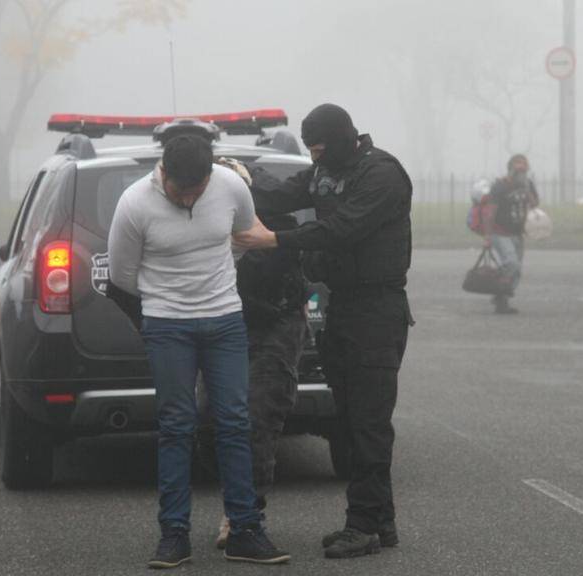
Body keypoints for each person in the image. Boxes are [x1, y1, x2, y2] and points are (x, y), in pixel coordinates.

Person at [233, 103, 414, 560]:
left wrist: (274, 240)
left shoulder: (381, 175)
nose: (313, 157)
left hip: (378, 310)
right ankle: (381, 520)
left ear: (340, 138)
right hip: (343, 309)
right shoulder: (322, 171)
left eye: (318, 147)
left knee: (370, 422)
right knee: (352, 419)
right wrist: (239, 178)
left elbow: (342, 230)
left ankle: (362, 525)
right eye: (309, 149)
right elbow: (278, 195)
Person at [107, 135, 290, 568]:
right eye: (180, 190)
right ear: (163, 173)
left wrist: (214, 279)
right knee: (176, 425)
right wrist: (166, 297)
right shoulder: (134, 204)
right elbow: (122, 274)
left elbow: (244, 235)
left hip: (225, 321)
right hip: (168, 325)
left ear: (211, 175)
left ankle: (245, 529)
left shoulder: (229, 185)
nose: (189, 197)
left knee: (234, 421)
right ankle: (174, 535)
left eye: (198, 189)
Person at [203, 208, 309, 550]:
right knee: (208, 417)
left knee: (259, 413)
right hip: (215, 318)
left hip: (274, 319)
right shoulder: (183, 210)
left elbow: (299, 249)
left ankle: (244, 515)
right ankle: (238, 505)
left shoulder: (268, 208)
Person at [482, 154, 540, 314]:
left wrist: (527, 189)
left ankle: (501, 300)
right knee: (512, 263)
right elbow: (490, 212)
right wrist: (487, 236)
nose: (521, 172)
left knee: (516, 270)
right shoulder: (500, 186)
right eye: (517, 169)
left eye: (524, 169)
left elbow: (535, 204)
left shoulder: (527, 184)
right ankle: (499, 293)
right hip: (500, 232)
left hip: (518, 233)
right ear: (510, 169)